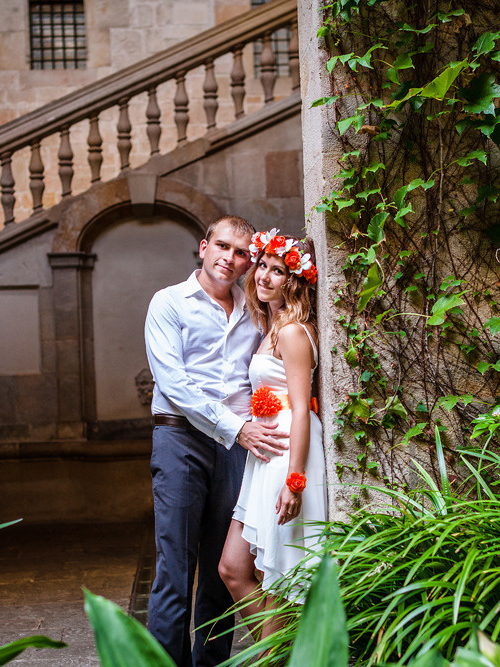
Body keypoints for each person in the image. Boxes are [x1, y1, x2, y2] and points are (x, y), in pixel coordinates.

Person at [144, 215, 290, 667]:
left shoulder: (254, 309)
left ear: (250, 261)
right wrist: (237, 427)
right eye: (223, 247)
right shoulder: (169, 303)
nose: (231, 258)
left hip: (237, 450)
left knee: (219, 571)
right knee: (175, 568)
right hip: (181, 439)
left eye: (242, 252)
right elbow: (174, 382)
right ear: (204, 247)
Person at [218, 230, 327, 641]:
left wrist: (294, 483)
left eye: (277, 271)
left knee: (276, 577)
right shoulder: (272, 326)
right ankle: (277, 652)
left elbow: (302, 408)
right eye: (262, 266)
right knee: (232, 568)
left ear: (294, 281)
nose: (263, 276)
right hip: (264, 457)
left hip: (286, 457)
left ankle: (273, 657)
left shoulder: (295, 332)